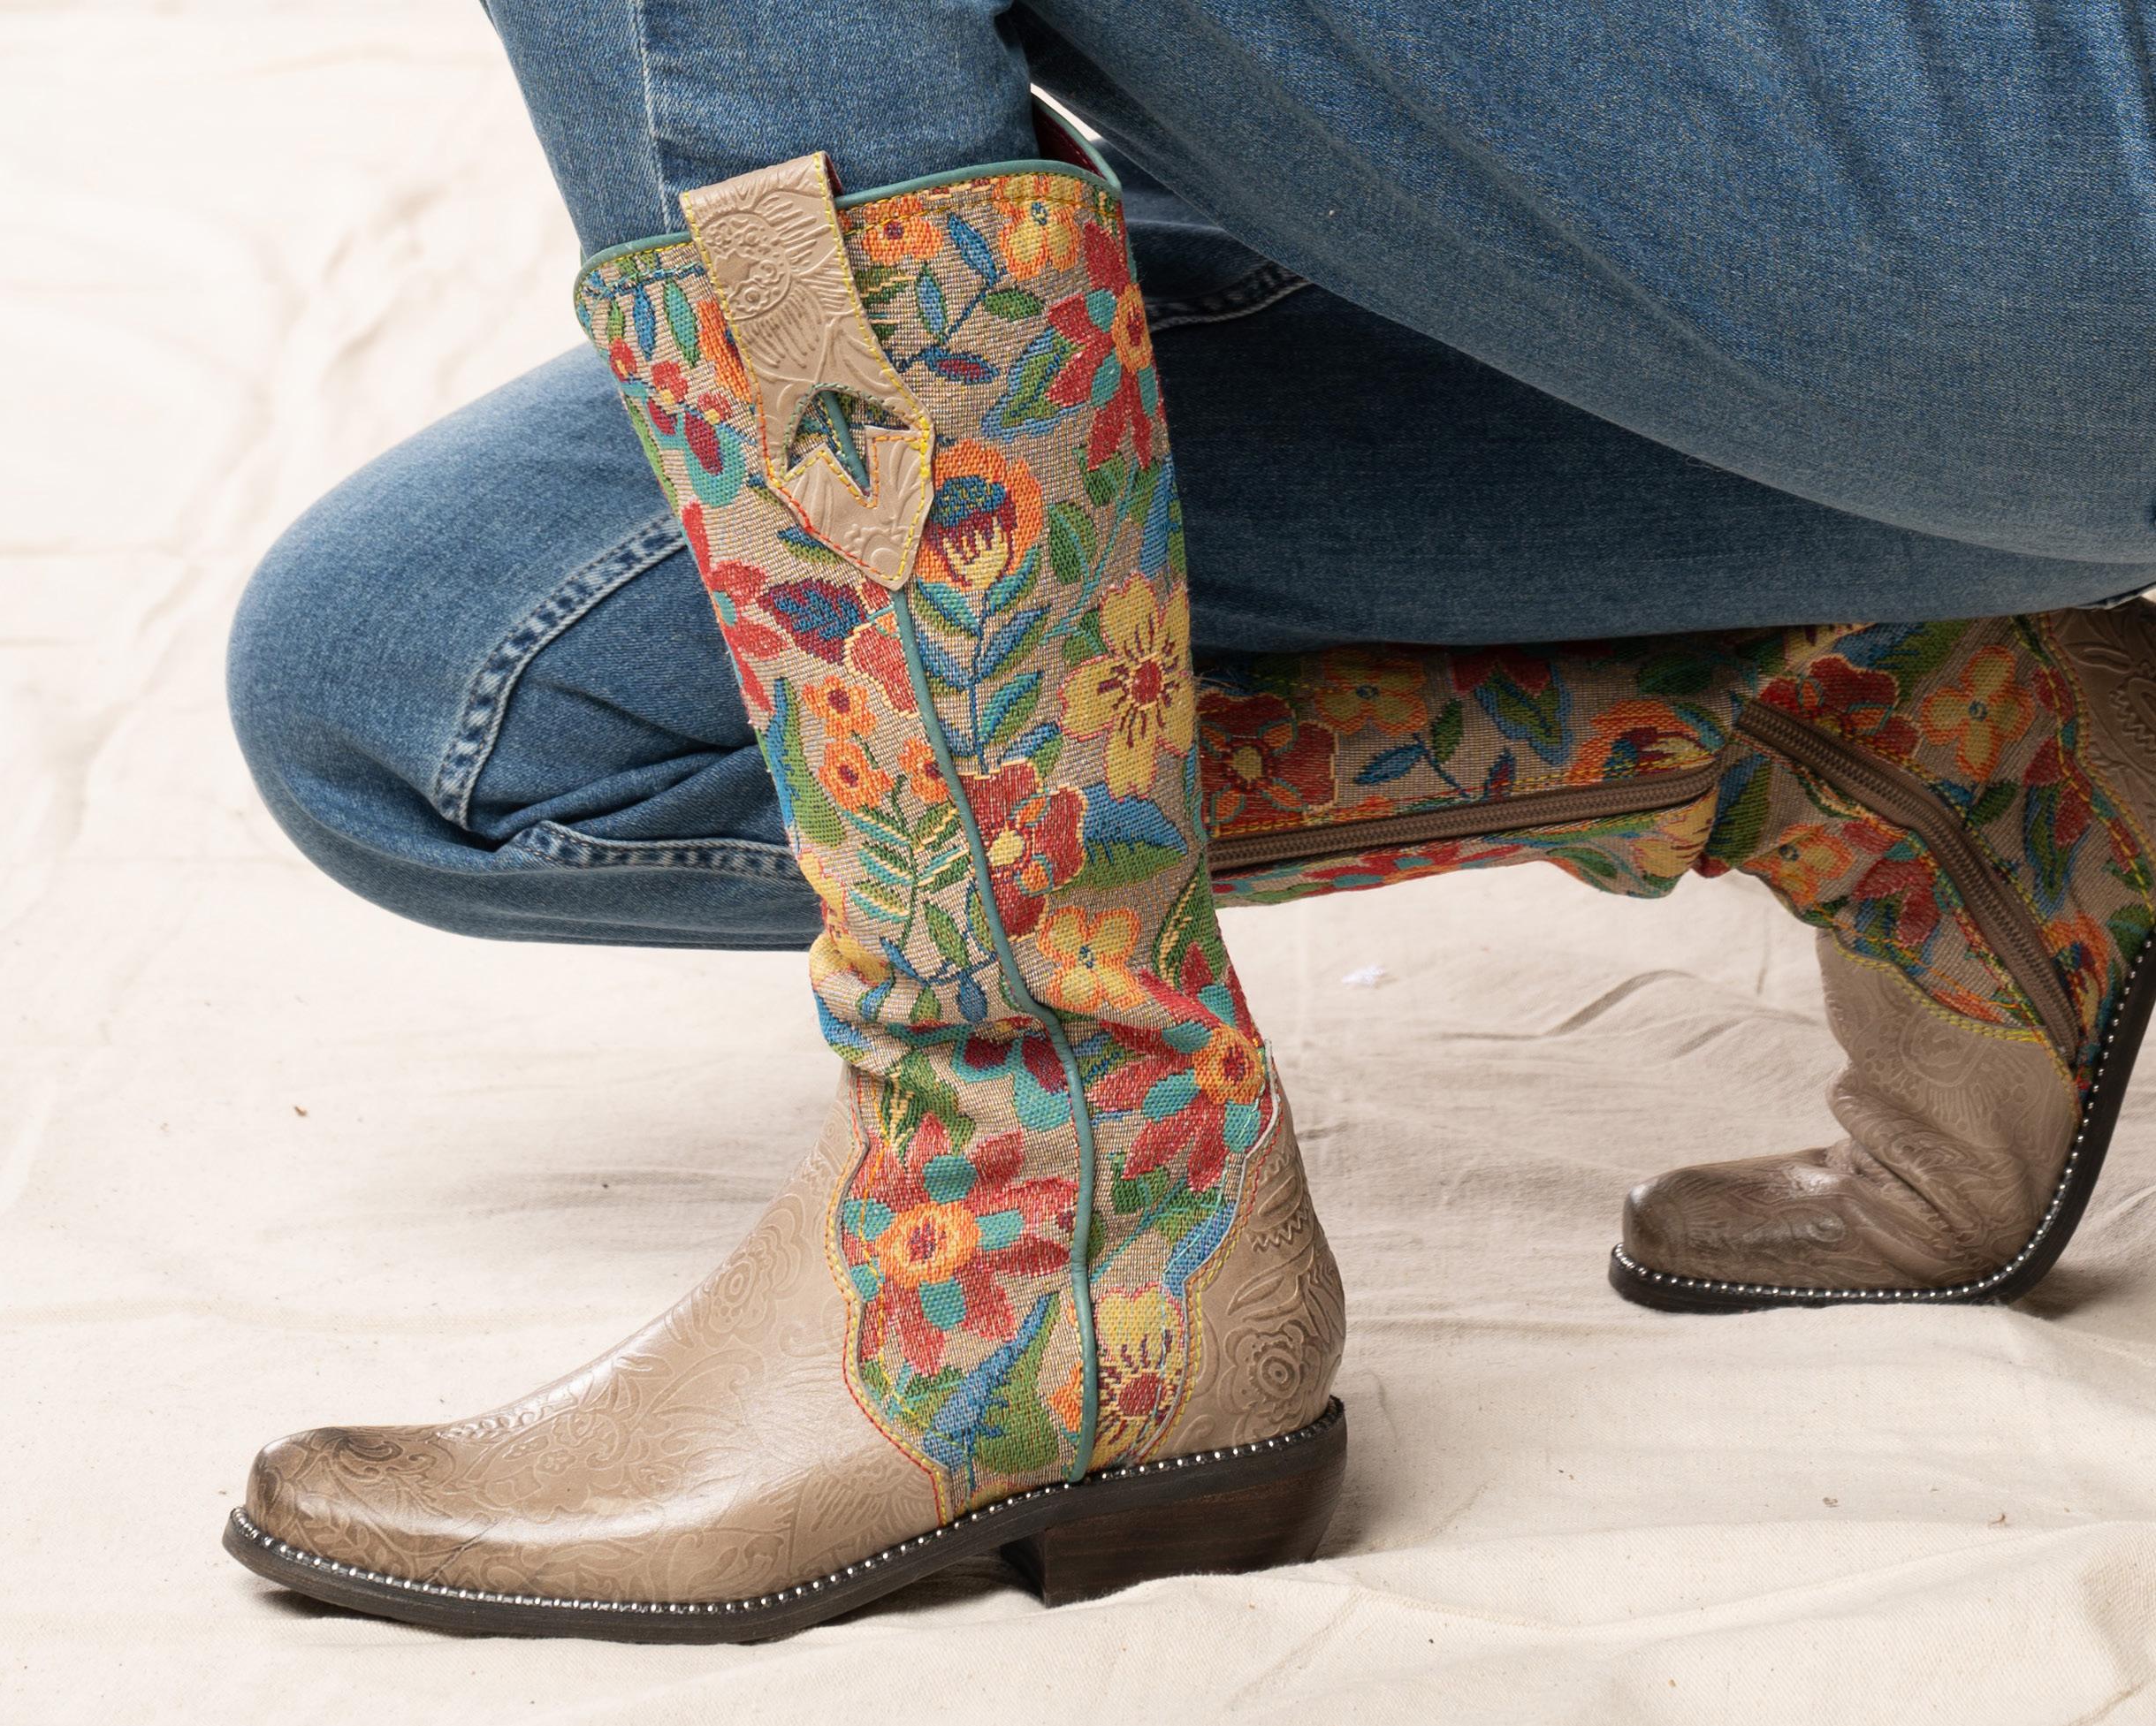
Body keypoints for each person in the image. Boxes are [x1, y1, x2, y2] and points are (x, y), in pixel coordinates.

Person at [216, 2, 2156, 1639]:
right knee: (432, 703)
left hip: (2058, 173)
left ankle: (1040, 1196)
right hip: (1812, 301)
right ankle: (1922, 738)